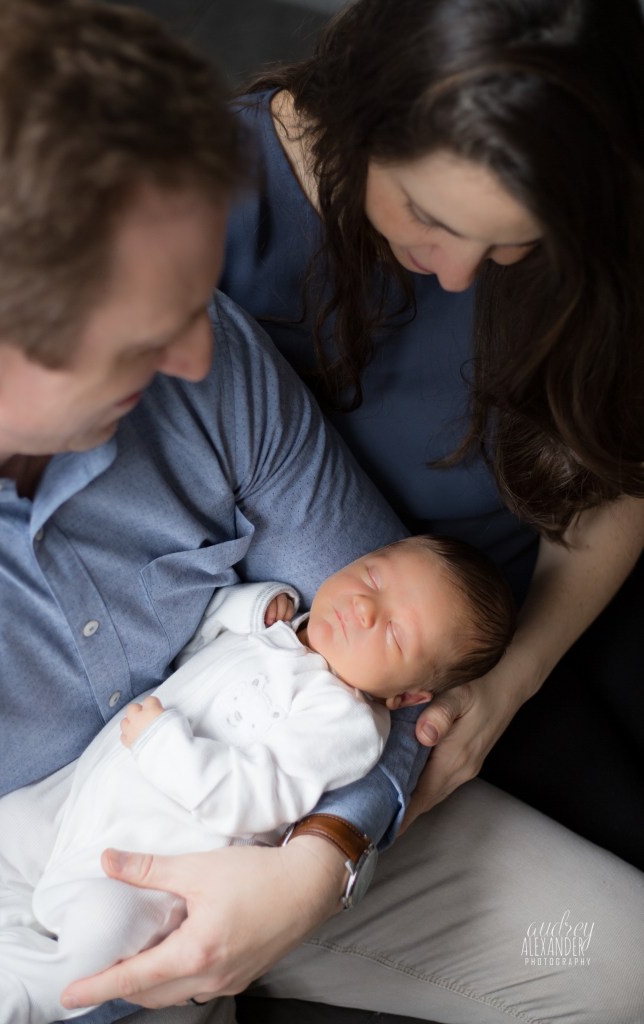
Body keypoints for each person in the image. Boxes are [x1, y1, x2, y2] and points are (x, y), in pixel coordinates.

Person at [0, 2, 641, 1024]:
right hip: (12, 926)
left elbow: (393, 649)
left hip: (291, 800)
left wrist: (323, 859)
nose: (204, 356)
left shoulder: (204, 343)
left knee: (619, 959)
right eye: (149, 344)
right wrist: (108, 986)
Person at [218, 0, 644, 866]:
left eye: (510, 246)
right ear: (361, 115)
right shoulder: (203, 203)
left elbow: (616, 471)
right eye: (432, 219)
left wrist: (513, 680)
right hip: (361, 664)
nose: (458, 276)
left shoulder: (591, 197)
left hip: (556, 597)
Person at [0, 536, 515, 1024]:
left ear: (408, 696)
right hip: (86, 796)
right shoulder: (277, 628)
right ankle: (12, 918)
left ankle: (9, 997)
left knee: (103, 933)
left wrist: (163, 745)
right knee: (1, 828)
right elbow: (194, 635)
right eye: (373, 576)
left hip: (145, 861)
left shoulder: (344, 721)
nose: (365, 608)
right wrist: (253, 605)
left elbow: (257, 797)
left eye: (394, 634)